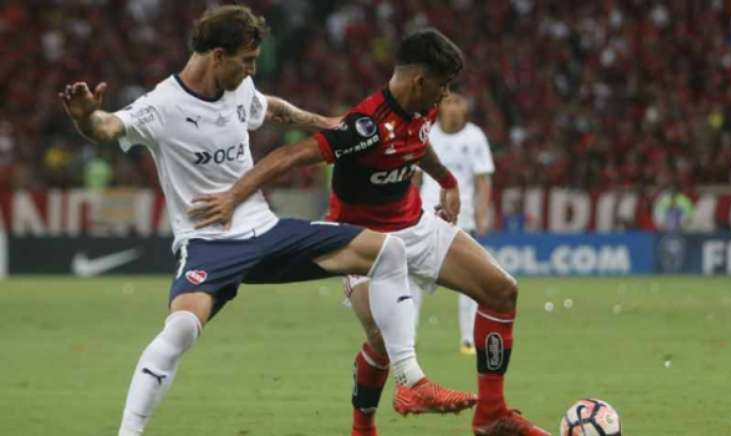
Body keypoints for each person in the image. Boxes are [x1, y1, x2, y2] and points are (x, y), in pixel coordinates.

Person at [59, 6, 466, 436]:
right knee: (180, 329)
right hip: (209, 243)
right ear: (217, 55)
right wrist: (86, 117)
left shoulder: (239, 88)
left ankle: (410, 381)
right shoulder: (162, 106)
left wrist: (326, 123)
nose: (253, 69)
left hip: (266, 231)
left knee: (389, 250)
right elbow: (107, 128)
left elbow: (271, 108)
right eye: (246, 60)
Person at [190, 28, 550, 436]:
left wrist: (447, 180)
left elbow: (418, 143)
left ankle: (491, 415)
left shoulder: (421, 108)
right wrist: (232, 198)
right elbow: (288, 156)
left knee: (502, 291)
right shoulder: (365, 127)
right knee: (382, 338)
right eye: (442, 86)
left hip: (415, 225)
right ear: (419, 80)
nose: (445, 96)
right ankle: (364, 428)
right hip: (360, 243)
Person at [415, 91, 495, 356]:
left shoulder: (475, 137)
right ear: (439, 106)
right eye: (447, 102)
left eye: (457, 101)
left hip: (464, 216)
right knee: (413, 277)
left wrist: (483, 214)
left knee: (470, 278)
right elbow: (413, 176)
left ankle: (468, 340)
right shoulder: (425, 133)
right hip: (426, 215)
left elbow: (483, 180)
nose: (452, 107)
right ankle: (408, 337)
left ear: (465, 107)